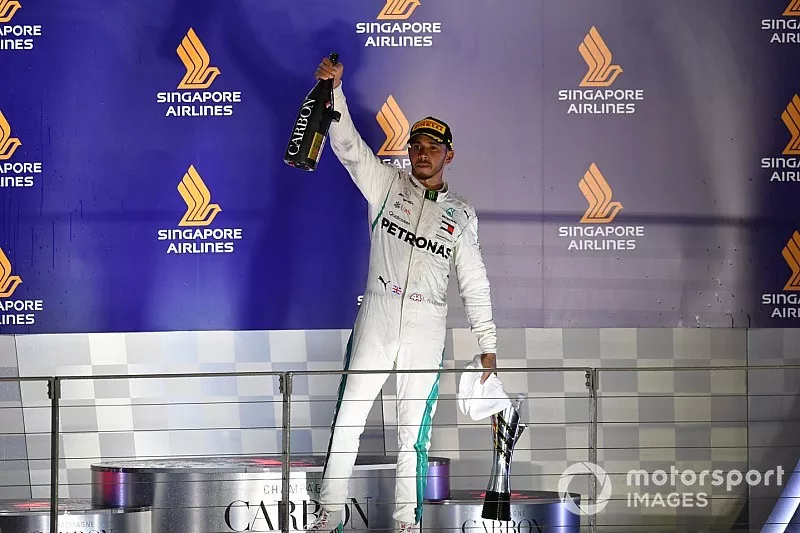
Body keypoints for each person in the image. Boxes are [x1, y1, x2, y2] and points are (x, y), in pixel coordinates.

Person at [307, 56, 497, 533]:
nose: (423, 153)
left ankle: (406, 524)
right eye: (417, 145)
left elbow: (474, 281)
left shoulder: (462, 214)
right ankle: (328, 514)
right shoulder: (387, 186)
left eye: (433, 146)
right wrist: (336, 92)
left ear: (449, 155)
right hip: (379, 311)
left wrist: (487, 344)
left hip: (427, 325)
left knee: (413, 434)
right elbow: (348, 146)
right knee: (348, 416)